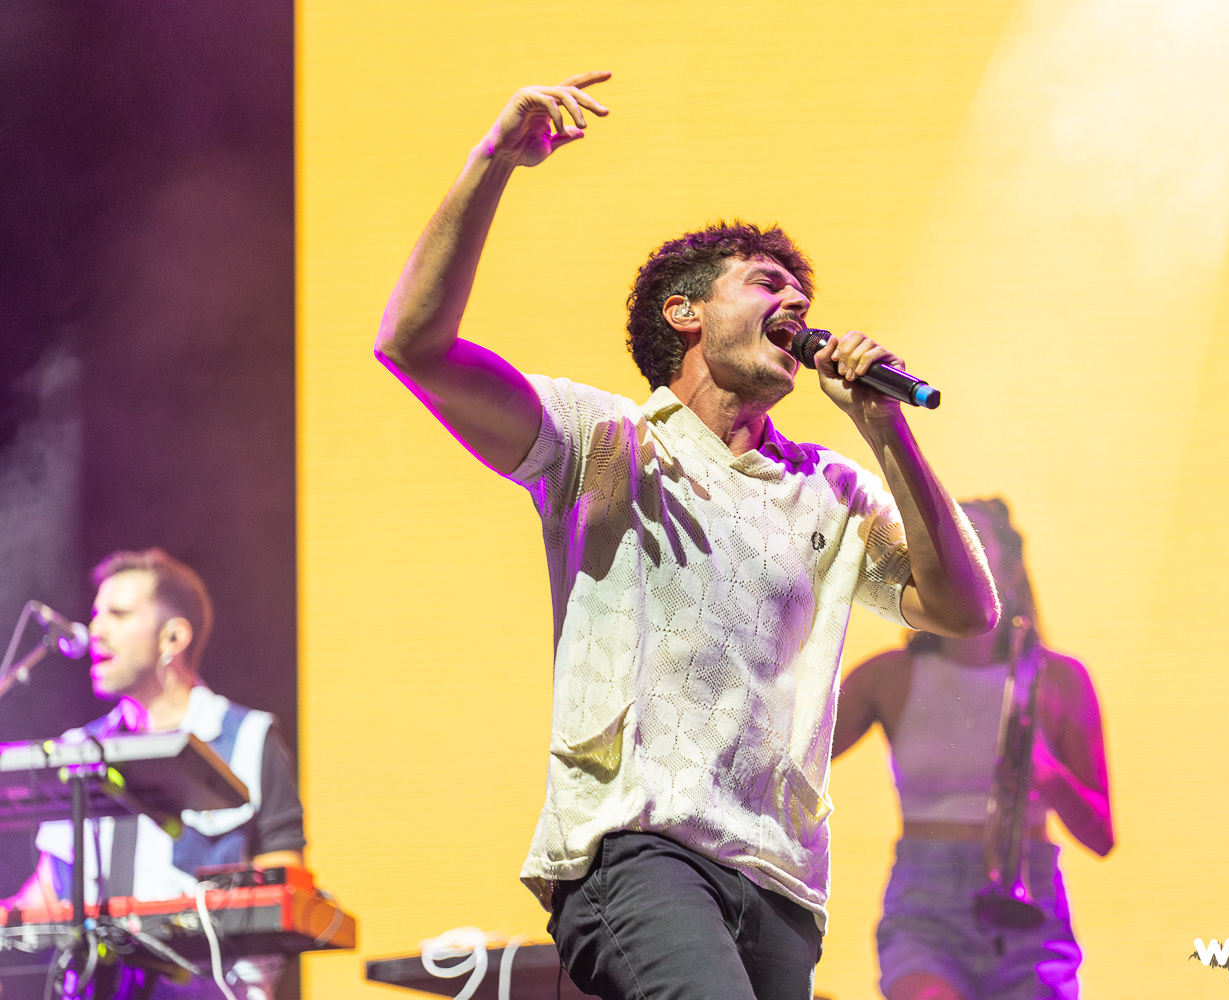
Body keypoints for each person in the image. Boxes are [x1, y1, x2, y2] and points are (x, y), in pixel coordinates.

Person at [374, 71, 998, 1000]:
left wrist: (886, 428)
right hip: (638, 850)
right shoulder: (603, 440)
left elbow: (967, 611)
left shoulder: (829, 491)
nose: (796, 304)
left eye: (803, 294)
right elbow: (414, 347)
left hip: (779, 881)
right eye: (767, 284)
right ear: (686, 312)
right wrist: (492, 161)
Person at [834, 498, 1113, 1000]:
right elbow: (793, 755)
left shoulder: (1060, 680)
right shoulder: (887, 677)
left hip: (1033, 902)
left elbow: (1101, 836)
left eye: (974, 543)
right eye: (943, 546)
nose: (957, 558)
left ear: (1010, 570)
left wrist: (1047, 775)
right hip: (926, 906)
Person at [3, 549, 305, 1000]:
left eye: (118, 614)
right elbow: (50, 890)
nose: (95, 630)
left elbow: (282, 879)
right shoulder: (76, 751)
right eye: (96, 614)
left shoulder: (248, 738)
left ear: (173, 637)